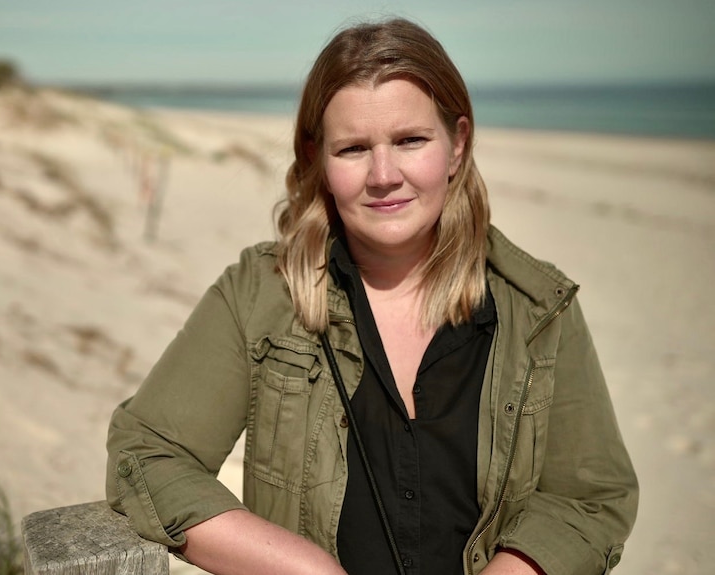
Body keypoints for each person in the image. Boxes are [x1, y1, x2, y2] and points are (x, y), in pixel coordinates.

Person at [106, 17, 638, 575]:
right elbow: (145, 455)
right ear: (317, 158)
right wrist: (308, 570)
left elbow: (589, 498)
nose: (383, 175)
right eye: (354, 148)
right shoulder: (262, 293)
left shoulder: (537, 309)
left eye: (410, 140)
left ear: (457, 144)